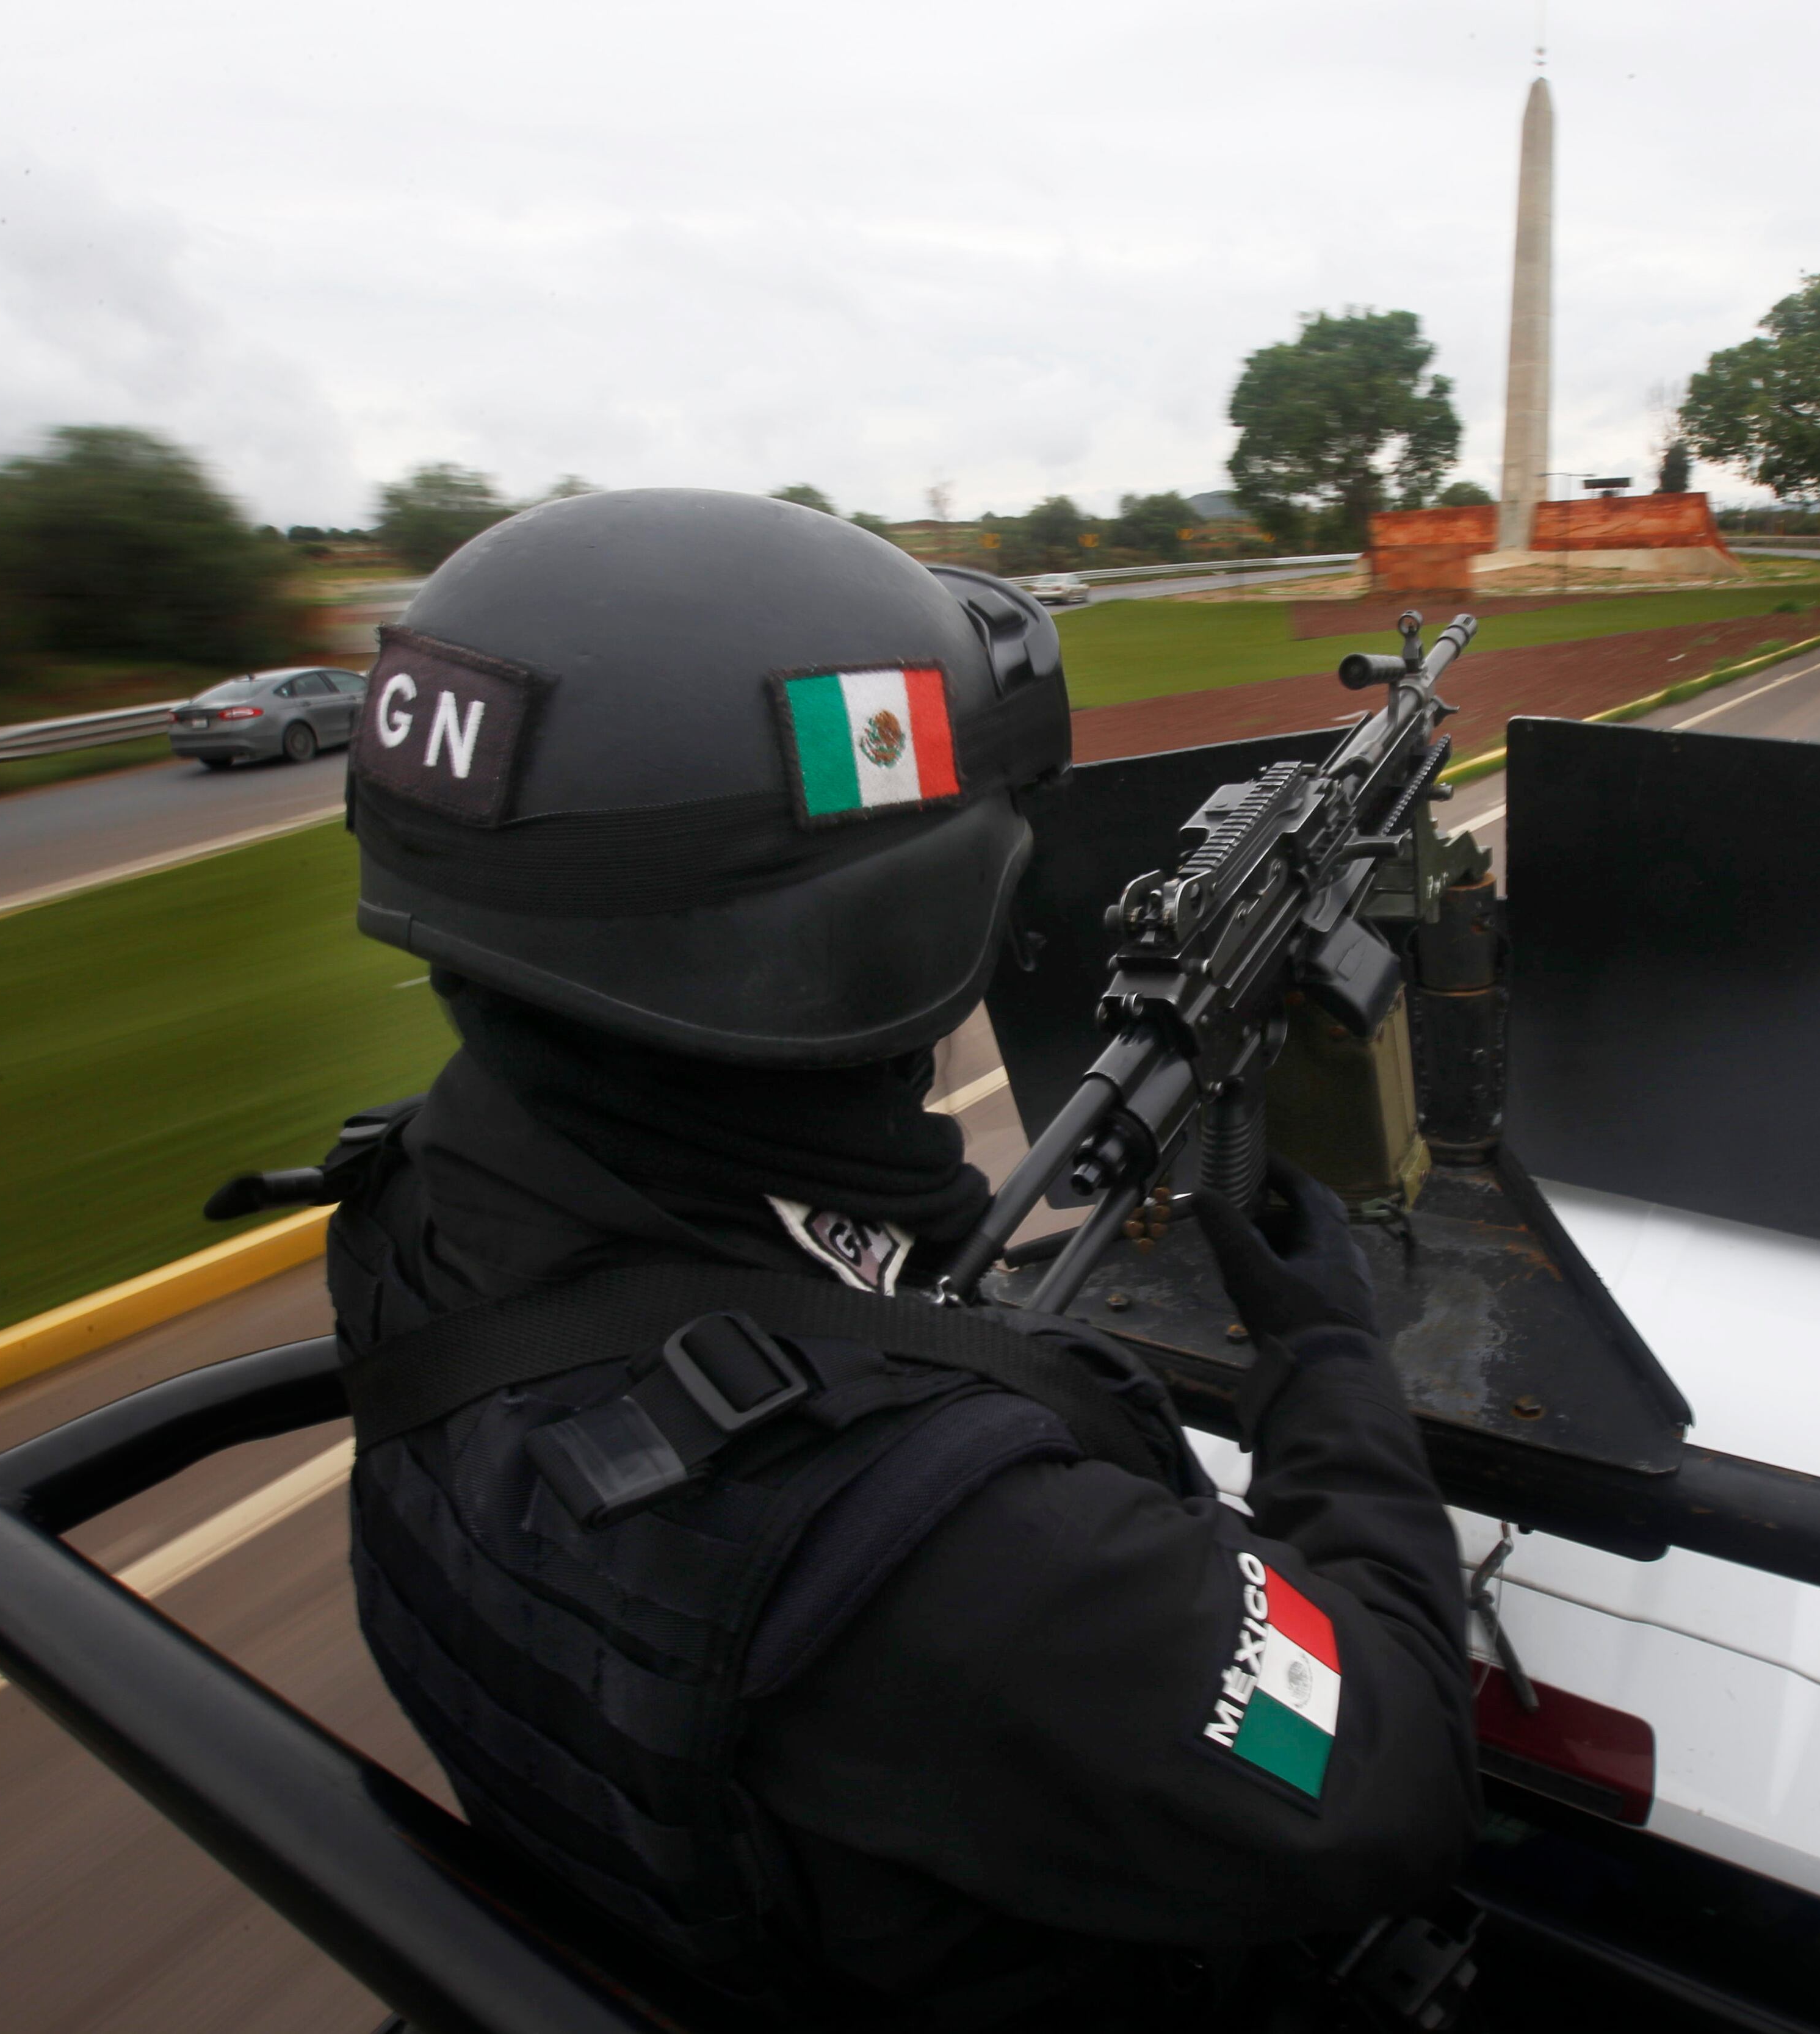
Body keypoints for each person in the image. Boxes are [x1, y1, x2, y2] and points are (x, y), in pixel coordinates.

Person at [315, 488, 1479, 2025]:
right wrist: (1329, 1367)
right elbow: (1391, 1768)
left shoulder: (408, 1213)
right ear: (904, 930)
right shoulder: (975, 1555)